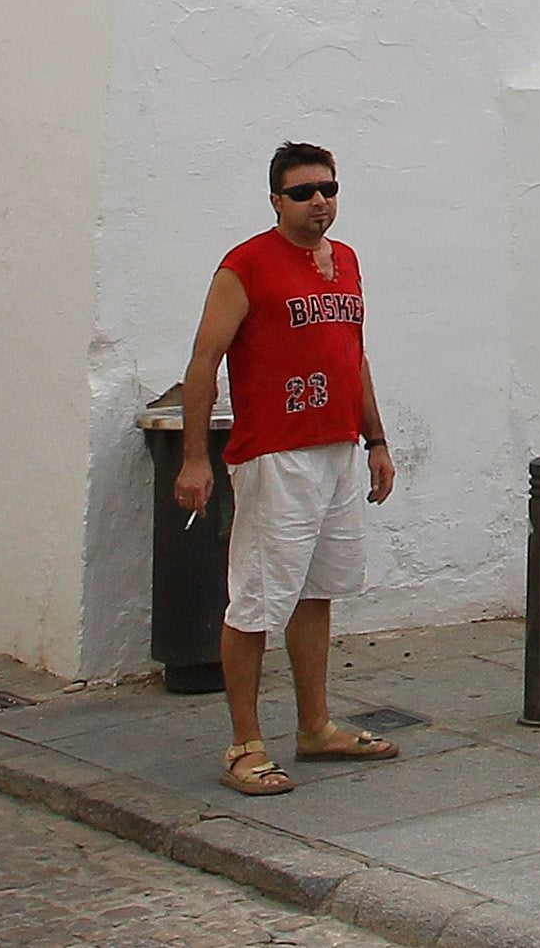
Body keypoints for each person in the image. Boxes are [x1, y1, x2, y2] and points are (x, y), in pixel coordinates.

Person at [171, 143, 397, 797]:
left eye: (328, 187)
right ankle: (244, 742)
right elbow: (203, 361)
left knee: (316, 588)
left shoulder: (346, 261)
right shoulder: (244, 266)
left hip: (335, 449)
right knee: (256, 598)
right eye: (302, 191)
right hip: (276, 455)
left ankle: (315, 724)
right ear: (276, 199)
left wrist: (375, 438)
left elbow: (351, 355)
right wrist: (194, 457)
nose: (318, 200)